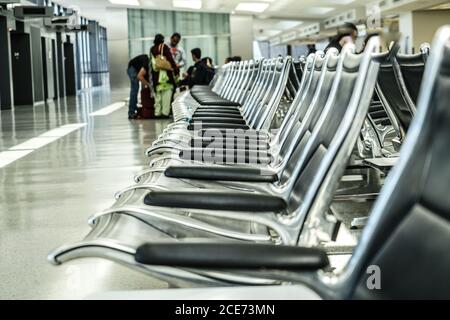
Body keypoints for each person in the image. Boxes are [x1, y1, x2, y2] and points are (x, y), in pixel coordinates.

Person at [150, 34, 178, 118]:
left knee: (158, 96)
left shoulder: (152, 49)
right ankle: (165, 113)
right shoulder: (164, 47)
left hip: (156, 76)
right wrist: (176, 69)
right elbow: (170, 59)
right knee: (166, 95)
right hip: (165, 77)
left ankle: (157, 113)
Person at [127, 54, 151, 120]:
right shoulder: (147, 63)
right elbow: (139, 76)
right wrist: (149, 86)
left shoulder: (147, 67)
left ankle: (135, 110)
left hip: (135, 69)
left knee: (141, 90)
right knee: (134, 89)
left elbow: (143, 81)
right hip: (132, 69)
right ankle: (131, 113)